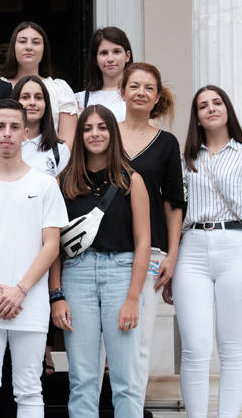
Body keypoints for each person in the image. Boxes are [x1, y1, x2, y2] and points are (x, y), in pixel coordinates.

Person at [0, 99, 68, 418]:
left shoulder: (45, 185)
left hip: (30, 302)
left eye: (15, 127)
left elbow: (51, 245)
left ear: (26, 134)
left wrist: (20, 290)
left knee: (30, 389)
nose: (7, 133)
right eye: (1, 127)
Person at [170, 85, 242, 417]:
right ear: (197, 117)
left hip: (235, 246)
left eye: (217, 102)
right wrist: (171, 262)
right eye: (203, 106)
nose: (211, 108)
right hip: (191, 249)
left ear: (227, 109)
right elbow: (176, 212)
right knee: (195, 348)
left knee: (233, 349)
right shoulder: (186, 159)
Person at [50, 105, 150, 417]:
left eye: (102, 127)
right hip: (76, 276)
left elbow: (143, 243)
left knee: (126, 378)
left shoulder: (132, 181)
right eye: (87, 128)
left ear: (112, 133)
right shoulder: (63, 183)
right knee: (82, 379)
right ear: (80, 136)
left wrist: (133, 297)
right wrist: (56, 295)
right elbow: (53, 246)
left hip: (121, 274)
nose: (95, 134)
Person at [117, 62, 184, 403]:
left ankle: (133, 408)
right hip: (105, 249)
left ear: (157, 97)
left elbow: (174, 203)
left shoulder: (167, 143)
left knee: (139, 341)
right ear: (122, 91)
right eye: (134, 86)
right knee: (102, 343)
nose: (141, 93)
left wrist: (173, 254)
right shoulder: (104, 134)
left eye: (148, 88)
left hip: (152, 251)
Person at [0, 22, 78, 148]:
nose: (29, 47)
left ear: (44, 49)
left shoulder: (59, 88)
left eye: (36, 42)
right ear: (13, 47)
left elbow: (67, 144)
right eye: (22, 41)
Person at [0, 75, 70, 177]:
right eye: (25, 97)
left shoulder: (60, 150)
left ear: (46, 104)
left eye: (38, 98)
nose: (32, 102)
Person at [75, 27, 133, 121]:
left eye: (116, 51)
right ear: (95, 59)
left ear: (127, 56)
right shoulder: (80, 100)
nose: (110, 59)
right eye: (104, 53)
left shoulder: (138, 95)